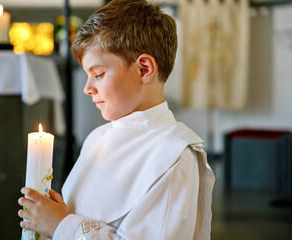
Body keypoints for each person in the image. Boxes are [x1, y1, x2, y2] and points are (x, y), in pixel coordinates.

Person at [18, 0, 215, 239]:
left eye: (98, 74)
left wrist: (61, 224)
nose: (88, 88)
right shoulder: (96, 138)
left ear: (144, 69)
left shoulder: (174, 154)